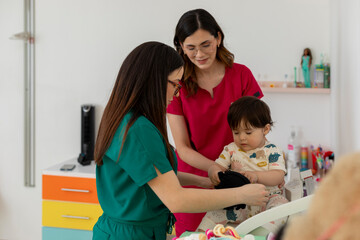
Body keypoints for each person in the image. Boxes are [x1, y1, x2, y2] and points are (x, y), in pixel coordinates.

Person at [92, 42, 269, 240]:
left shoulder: (127, 119)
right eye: (175, 84)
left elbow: (155, 176)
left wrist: (204, 182)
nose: (177, 93)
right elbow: (175, 199)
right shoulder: (139, 129)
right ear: (154, 81)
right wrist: (243, 195)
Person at [167, 8, 264, 236]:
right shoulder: (176, 85)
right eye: (190, 47)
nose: (199, 54)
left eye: (205, 45)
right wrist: (214, 167)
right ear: (180, 46)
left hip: (239, 180)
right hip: (195, 185)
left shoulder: (242, 76)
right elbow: (182, 147)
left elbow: (257, 133)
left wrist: (265, 169)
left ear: (218, 38)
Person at [197, 96, 288, 231]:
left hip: (268, 198)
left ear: (265, 129)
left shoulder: (273, 150)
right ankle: (201, 234)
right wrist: (214, 172)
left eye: (248, 132)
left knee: (281, 207)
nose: (242, 137)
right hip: (239, 202)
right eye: (236, 132)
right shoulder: (231, 149)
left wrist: (256, 176)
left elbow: (278, 176)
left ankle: (264, 234)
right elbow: (217, 166)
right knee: (215, 210)